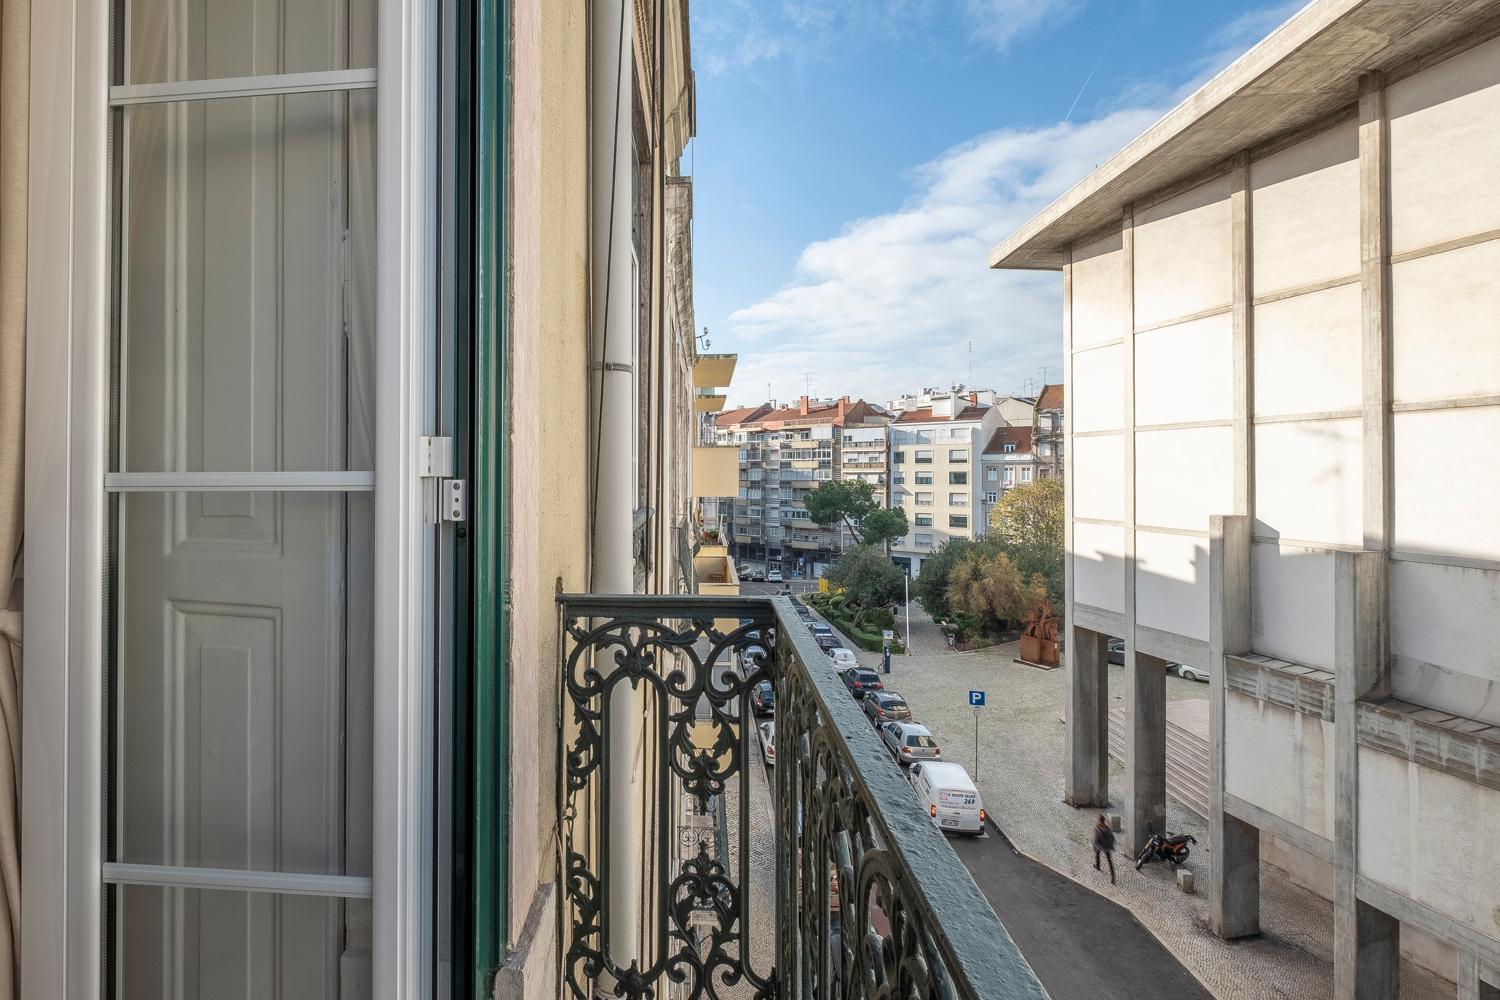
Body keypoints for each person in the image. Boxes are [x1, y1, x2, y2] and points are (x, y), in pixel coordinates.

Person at [1093, 814, 1116, 884]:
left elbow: (1096, 839)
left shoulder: (1098, 829)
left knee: (1097, 852)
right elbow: (1112, 837)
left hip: (1101, 846)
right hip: (1108, 846)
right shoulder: (1107, 828)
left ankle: (1098, 866)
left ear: (1100, 820)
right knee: (1109, 861)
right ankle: (1113, 876)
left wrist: (1095, 845)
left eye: (1098, 820)